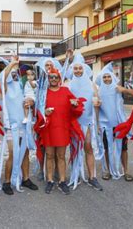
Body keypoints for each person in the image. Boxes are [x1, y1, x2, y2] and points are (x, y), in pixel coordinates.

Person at [35, 66, 85, 195]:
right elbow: (37, 111)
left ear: (59, 79)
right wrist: (44, 113)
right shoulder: (43, 92)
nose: (53, 79)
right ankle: (50, 180)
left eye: (55, 77)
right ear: (48, 78)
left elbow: (77, 106)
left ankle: (62, 181)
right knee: (50, 155)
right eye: (50, 77)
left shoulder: (65, 91)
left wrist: (75, 105)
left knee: (61, 156)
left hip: (62, 128)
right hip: (49, 129)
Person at [0, 56, 38, 195]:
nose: (15, 74)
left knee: (25, 153)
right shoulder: (5, 88)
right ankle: (7, 182)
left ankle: (26, 179)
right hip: (12, 126)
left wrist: (31, 102)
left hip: (24, 125)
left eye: (16, 72)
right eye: (12, 73)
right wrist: (13, 64)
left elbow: (31, 96)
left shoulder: (22, 86)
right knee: (13, 153)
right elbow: (3, 77)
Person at [67, 53, 104, 191]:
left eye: (80, 68)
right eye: (75, 68)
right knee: (75, 149)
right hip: (73, 123)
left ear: (84, 68)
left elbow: (97, 103)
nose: (78, 70)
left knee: (88, 148)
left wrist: (98, 120)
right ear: (72, 69)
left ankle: (92, 177)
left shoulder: (92, 85)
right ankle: (75, 175)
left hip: (88, 122)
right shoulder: (68, 84)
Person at [95, 62, 133, 181]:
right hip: (105, 125)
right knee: (106, 148)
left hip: (119, 124)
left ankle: (126, 171)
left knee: (124, 148)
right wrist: (97, 124)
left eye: (108, 76)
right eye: (104, 77)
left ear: (112, 77)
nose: (107, 79)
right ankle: (107, 171)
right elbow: (97, 110)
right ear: (101, 79)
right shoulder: (98, 92)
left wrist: (124, 90)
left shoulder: (117, 88)